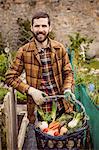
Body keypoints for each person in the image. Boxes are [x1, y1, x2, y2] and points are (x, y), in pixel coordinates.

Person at [6, 11, 74, 124]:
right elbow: (10, 77)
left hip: (62, 105)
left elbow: (68, 72)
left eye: (44, 26)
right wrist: (31, 91)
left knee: (64, 139)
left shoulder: (59, 48)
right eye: (37, 26)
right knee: (45, 140)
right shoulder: (24, 51)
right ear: (32, 28)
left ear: (49, 28)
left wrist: (67, 88)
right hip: (40, 110)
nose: (40, 29)